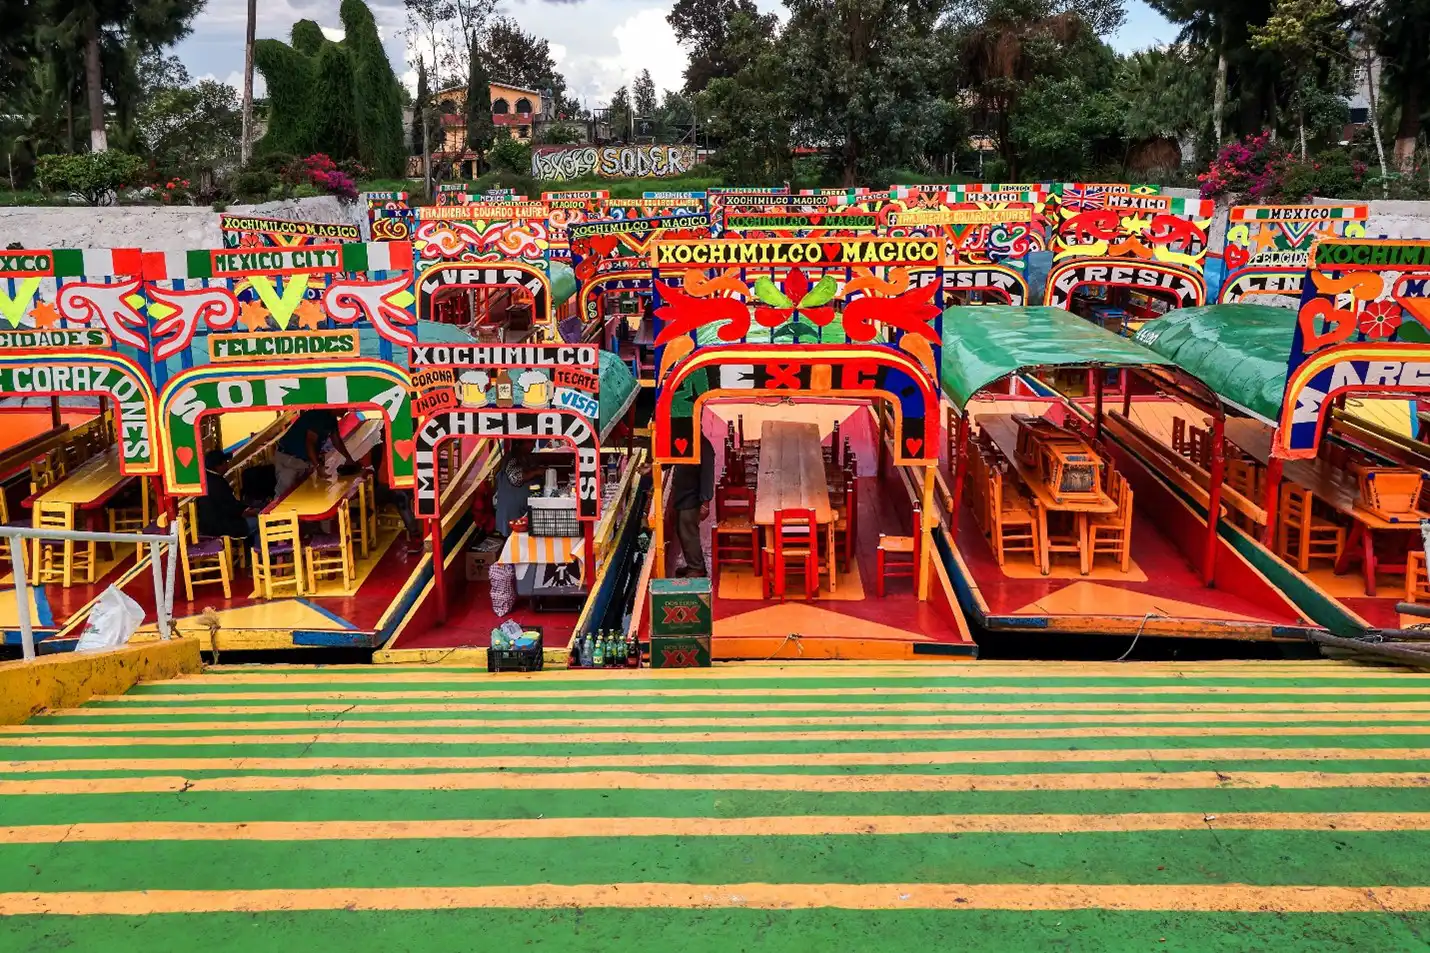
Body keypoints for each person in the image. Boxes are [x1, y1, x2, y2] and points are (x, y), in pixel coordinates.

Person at [273, 409, 357, 496]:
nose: (346, 410)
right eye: (344, 407)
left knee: (301, 495)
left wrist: (349, 459)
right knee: (284, 496)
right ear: (335, 406)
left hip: (302, 460)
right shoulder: (318, 416)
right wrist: (318, 466)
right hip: (289, 459)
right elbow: (310, 443)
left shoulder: (331, 419)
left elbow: (337, 441)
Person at [670, 432, 715, 577]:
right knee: (682, 531)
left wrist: (706, 502)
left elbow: (708, 476)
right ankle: (692, 564)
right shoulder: (685, 441)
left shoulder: (704, 446)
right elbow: (670, 457)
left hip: (692, 497)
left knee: (688, 531)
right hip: (682, 494)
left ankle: (697, 568)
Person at [369, 440, 423, 554]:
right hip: (388, 487)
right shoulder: (378, 449)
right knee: (399, 497)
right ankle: (415, 535)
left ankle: (416, 536)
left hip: (402, 487)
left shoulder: (407, 447)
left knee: (400, 498)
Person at [195, 449, 258, 549]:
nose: (227, 465)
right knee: (258, 522)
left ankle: (252, 551)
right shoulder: (217, 483)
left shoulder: (207, 479)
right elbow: (230, 508)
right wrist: (248, 511)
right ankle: (260, 553)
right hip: (219, 526)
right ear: (218, 466)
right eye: (225, 462)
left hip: (207, 525)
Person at [494, 441, 546, 536]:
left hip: (522, 510)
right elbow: (516, 477)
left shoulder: (524, 457)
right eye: (532, 442)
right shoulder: (512, 458)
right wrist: (536, 472)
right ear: (521, 443)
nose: (534, 445)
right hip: (513, 512)